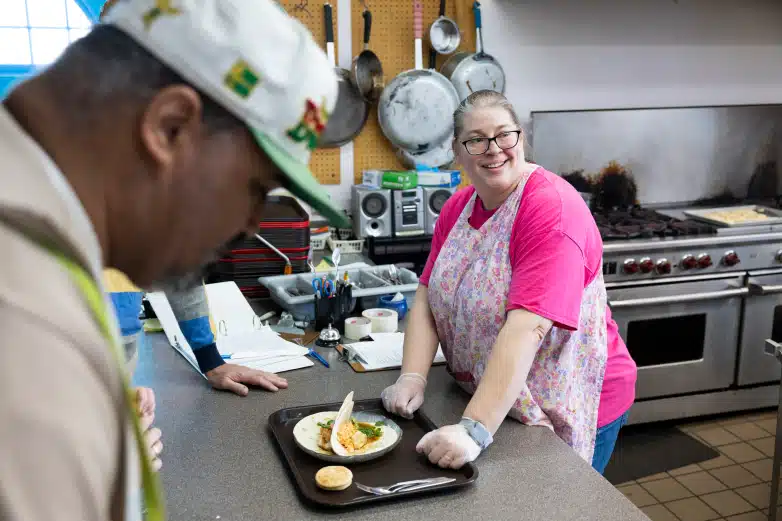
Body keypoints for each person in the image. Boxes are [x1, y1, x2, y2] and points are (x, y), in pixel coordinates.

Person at [0, 0, 347, 519]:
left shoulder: (45, 244)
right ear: (169, 128)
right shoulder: (29, 328)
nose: (249, 226)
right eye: (254, 189)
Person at [381, 90, 637, 474]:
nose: (493, 149)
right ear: (458, 150)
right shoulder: (459, 207)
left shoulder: (550, 208)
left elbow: (527, 326)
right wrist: (412, 377)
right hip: (503, 399)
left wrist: (474, 429)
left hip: (568, 399)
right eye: (476, 140)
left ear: (521, 138)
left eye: (504, 135)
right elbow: (426, 295)